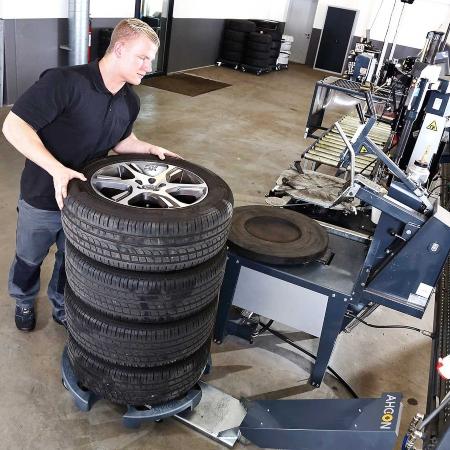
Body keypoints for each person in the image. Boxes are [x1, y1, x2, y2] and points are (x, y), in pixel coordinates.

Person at [3, 18, 180, 332]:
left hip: (87, 200)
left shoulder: (129, 101)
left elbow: (121, 141)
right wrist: (56, 169)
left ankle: (61, 304)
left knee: (70, 260)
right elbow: (14, 126)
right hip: (43, 194)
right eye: (142, 57)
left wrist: (149, 149)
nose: (147, 66)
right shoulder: (65, 82)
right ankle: (24, 300)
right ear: (120, 48)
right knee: (30, 257)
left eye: (150, 60)